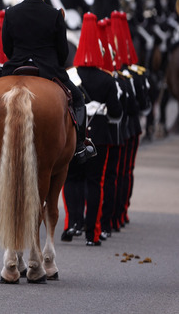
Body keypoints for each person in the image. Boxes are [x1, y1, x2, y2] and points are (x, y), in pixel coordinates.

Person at [0, 0, 95, 164]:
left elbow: (7, 49)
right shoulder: (54, 14)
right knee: (78, 98)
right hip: (48, 70)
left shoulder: (10, 13)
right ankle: (80, 146)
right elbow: (63, 52)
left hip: (15, 66)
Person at [61, 13, 123, 246]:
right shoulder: (108, 80)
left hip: (73, 135)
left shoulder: (69, 76)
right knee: (94, 182)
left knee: (72, 180)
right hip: (98, 135)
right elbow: (116, 114)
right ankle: (92, 233)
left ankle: (71, 223)